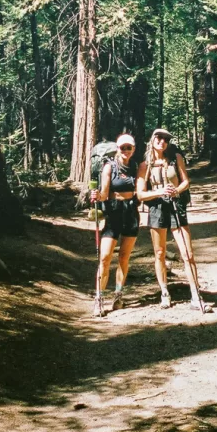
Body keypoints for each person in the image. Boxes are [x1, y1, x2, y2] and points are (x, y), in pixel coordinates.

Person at [136, 128, 212, 313]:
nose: (162, 141)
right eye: (159, 138)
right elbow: (140, 194)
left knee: (187, 253)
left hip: (176, 207)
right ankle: (164, 293)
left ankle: (195, 295)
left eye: (166, 139)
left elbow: (186, 181)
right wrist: (159, 192)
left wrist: (176, 191)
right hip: (157, 208)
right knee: (160, 253)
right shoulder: (145, 165)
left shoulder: (175, 158)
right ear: (152, 139)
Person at [90, 134, 140, 317]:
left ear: (133, 149)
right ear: (117, 148)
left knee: (124, 257)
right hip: (114, 214)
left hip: (131, 213)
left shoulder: (135, 166)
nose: (126, 151)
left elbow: (140, 190)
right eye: (123, 147)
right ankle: (99, 298)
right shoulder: (109, 167)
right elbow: (104, 193)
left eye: (129, 147)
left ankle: (118, 295)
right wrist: (96, 196)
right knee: (104, 257)